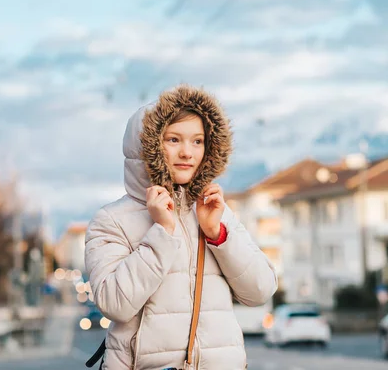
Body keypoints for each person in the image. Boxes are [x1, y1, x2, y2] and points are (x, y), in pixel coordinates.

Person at [84, 85, 278, 370]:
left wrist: (218, 235)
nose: (187, 153)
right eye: (174, 140)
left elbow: (261, 290)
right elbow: (114, 304)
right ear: (147, 146)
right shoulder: (112, 220)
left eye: (197, 141)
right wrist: (162, 232)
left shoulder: (215, 212)